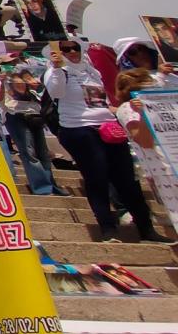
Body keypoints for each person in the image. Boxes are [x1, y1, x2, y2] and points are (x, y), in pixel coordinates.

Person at [46, 42, 167, 243]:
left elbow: (101, 99)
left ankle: (146, 228)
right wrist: (57, 67)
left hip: (107, 126)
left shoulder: (92, 71)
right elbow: (56, 93)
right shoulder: (57, 72)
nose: (72, 52)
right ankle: (108, 228)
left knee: (128, 179)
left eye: (75, 47)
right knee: (97, 177)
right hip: (79, 128)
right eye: (66, 49)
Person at [0, 58, 65, 197]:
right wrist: (2, 82)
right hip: (16, 115)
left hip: (35, 115)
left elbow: (41, 94)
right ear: (0, 66)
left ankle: (52, 185)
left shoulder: (26, 76)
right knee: (29, 152)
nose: (13, 65)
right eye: (9, 63)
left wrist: (35, 85)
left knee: (43, 153)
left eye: (14, 62)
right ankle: (42, 188)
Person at [114, 69, 178, 231]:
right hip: (164, 167)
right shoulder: (127, 109)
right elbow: (144, 141)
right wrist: (143, 114)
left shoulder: (165, 103)